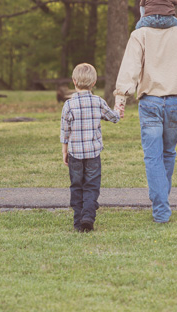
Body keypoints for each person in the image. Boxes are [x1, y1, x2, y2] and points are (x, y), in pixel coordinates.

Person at [113, 21, 177, 223]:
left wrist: (120, 99)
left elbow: (129, 69)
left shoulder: (139, 35)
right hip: (175, 102)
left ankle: (160, 207)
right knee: (168, 153)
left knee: (153, 156)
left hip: (150, 102)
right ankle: (161, 202)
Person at [59, 62, 120, 233]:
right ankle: (88, 216)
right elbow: (114, 118)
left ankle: (79, 220)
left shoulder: (68, 105)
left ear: (74, 81)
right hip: (93, 153)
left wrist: (64, 151)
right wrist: (118, 108)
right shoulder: (98, 102)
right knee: (92, 185)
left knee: (76, 185)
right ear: (94, 83)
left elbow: (65, 130)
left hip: (75, 154)